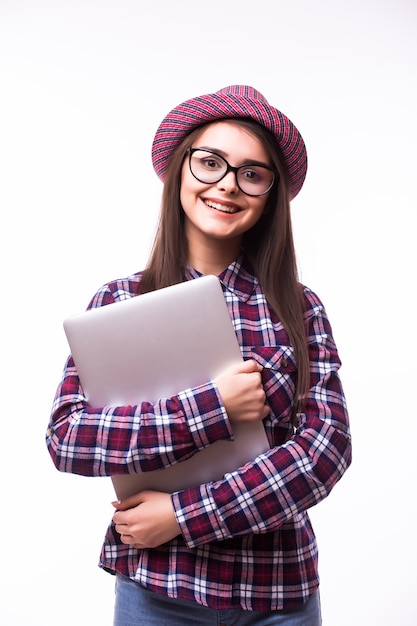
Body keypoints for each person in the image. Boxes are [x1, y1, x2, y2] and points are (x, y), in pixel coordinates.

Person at [46, 85, 352, 625]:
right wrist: (213, 407)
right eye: (210, 163)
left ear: (270, 195)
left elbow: (325, 452)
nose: (227, 186)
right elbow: (69, 439)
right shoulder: (119, 302)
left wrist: (185, 515)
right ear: (179, 171)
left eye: (252, 174)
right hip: (158, 593)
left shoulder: (298, 308)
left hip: (278, 595)